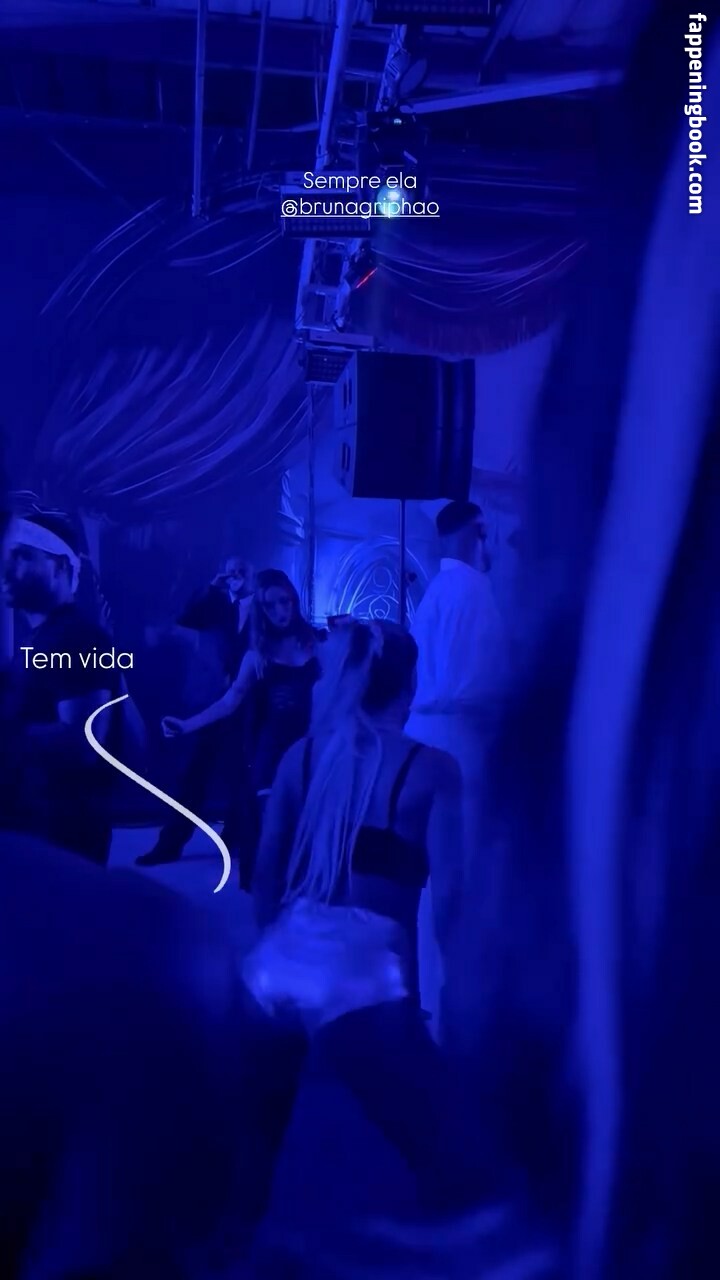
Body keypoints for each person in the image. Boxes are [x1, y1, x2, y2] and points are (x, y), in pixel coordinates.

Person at [251, 619, 463, 1001]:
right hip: (380, 995)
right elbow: (450, 905)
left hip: (298, 983)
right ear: (410, 684)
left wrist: (269, 953)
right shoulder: (431, 770)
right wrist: (458, 995)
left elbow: (266, 872)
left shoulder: (300, 758)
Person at [406, 499, 508, 1033]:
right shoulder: (475, 592)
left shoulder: (435, 594)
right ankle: (453, 1000)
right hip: (461, 743)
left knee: (427, 872)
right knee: (458, 870)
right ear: (476, 533)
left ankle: (427, 990)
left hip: (422, 736)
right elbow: (489, 685)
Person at [161, 570, 322, 885]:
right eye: (271, 605)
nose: (281, 611)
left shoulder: (316, 645)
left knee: (307, 835)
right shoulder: (257, 657)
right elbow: (228, 702)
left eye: (286, 602)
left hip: (310, 749)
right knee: (271, 835)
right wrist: (186, 725)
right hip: (273, 752)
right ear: (261, 609)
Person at [2, 511, 119, 865]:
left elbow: (83, 742)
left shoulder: (77, 638)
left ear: (61, 567)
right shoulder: (41, 638)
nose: (6, 567)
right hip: (33, 827)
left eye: (22, 555)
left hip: (60, 836)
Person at [137, 555, 255, 869]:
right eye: (230, 571)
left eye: (242, 570)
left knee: (241, 776)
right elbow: (187, 619)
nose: (235, 575)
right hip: (214, 703)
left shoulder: (265, 608)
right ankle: (170, 843)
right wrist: (212, 588)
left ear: (253, 573)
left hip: (249, 706)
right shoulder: (218, 606)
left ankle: (235, 837)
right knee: (193, 774)